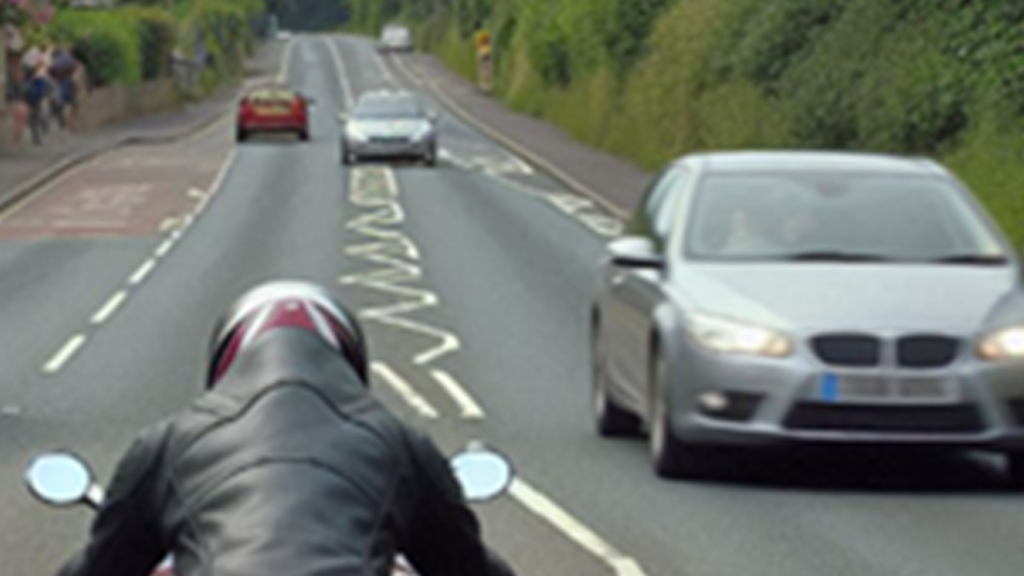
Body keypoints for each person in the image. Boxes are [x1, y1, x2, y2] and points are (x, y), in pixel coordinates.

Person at [54, 281, 516, 576]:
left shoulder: (167, 442)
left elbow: (102, 567)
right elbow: (465, 567)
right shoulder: (400, 442)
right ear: (348, 358)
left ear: (226, 359)